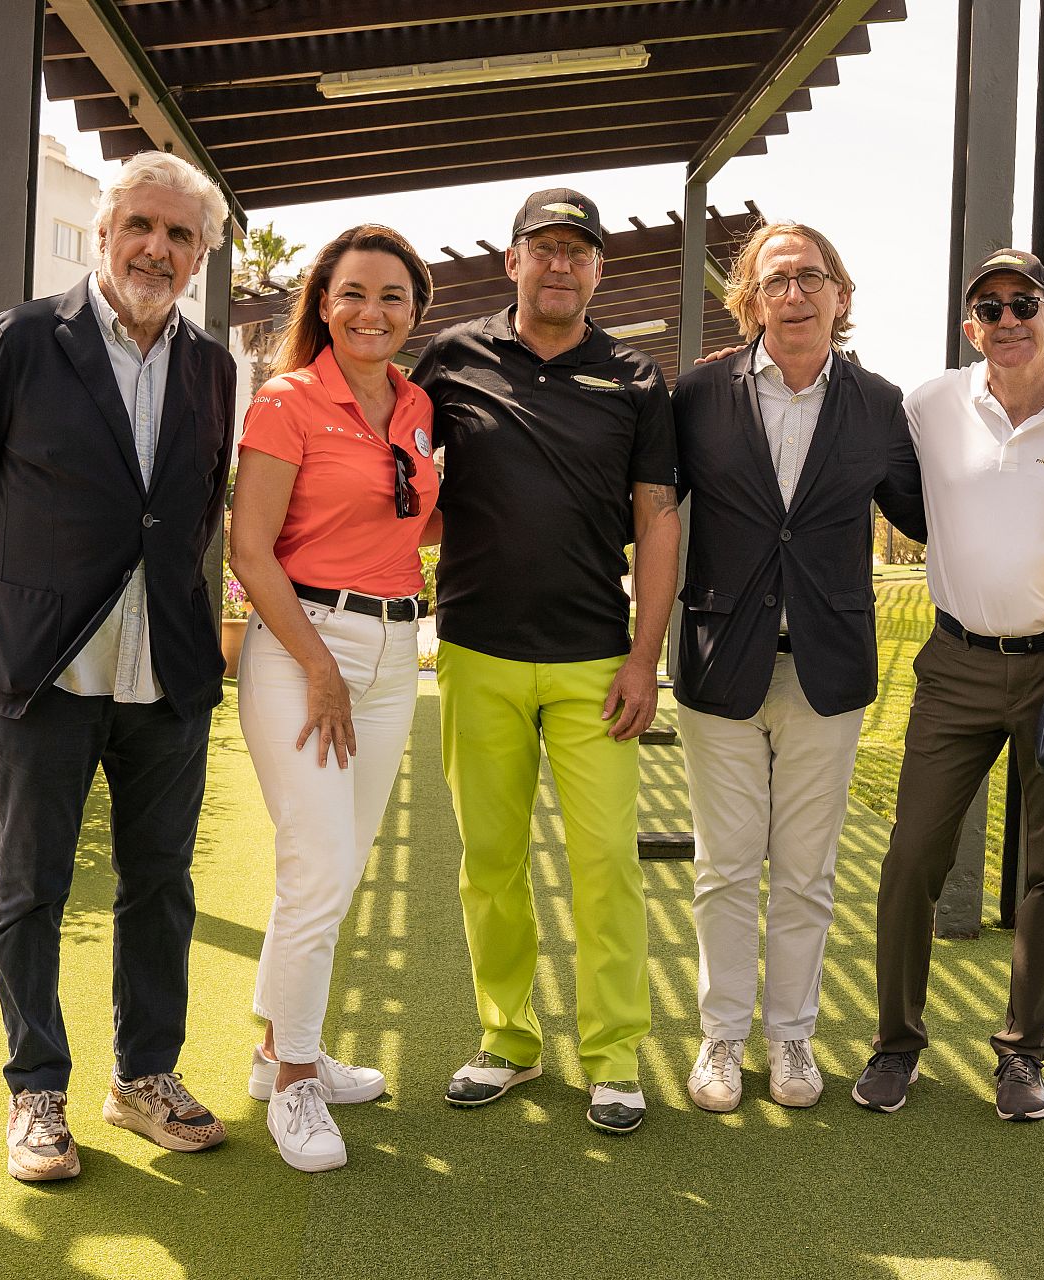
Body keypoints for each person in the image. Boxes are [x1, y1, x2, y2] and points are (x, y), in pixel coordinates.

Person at [0, 152, 237, 1181]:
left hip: (167, 677)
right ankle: (36, 1091)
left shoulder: (212, 366)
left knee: (162, 887)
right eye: (141, 224)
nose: (158, 247)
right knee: (31, 890)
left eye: (180, 235)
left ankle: (145, 1075)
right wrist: (4, 618)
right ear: (103, 233)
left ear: (199, 255)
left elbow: (189, 515)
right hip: (43, 676)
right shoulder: (20, 341)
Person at [410, 188, 680, 1135]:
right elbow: (398, 478)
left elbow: (657, 520)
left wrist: (647, 656)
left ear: (598, 269)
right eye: (543, 247)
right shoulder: (450, 359)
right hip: (476, 650)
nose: (559, 263)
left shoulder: (640, 380)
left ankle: (611, 1058)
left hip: (594, 659)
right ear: (512, 261)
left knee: (605, 860)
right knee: (490, 859)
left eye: (578, 250)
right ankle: (508, 1042)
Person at [855, 249, 1044, 1120]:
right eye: (990, 306)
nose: (1008, 318)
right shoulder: (931, 404)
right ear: (969, 325)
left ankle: (1022, 1055)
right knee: (912, 857)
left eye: (1026, 304)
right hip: (954, 666)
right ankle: (896, 1046)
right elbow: (850, 422)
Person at [672, 222, 924, 1113]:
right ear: (749, 300)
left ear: (841, 296)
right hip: (719, 666)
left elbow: (933, 513)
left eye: (812, 278)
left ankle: (793, 1042)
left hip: (827, 669)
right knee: (727, 865)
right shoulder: (698, 394)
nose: (796, 294)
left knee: (807, 871)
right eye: (776, 281)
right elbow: (652, 510)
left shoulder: (881, 402)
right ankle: (721, 1037)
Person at [229, 225, 440, 1173]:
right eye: (353, 293)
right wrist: (317, 663)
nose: (372, 312)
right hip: (303, 647)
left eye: (393, 297)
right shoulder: (286, 399)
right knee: (317, 867)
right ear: (322, 302)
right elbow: (248, 548)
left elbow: (415, 519)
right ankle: (300, 1081)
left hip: (398, 650)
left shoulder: (417, 405)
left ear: (414, 313)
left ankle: (279, 1051)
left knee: (336, 867)